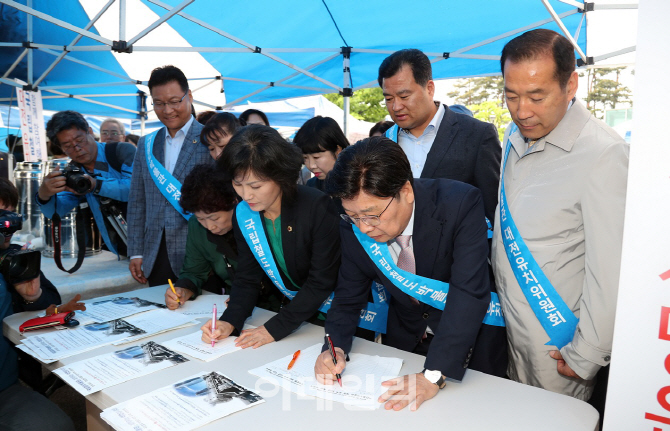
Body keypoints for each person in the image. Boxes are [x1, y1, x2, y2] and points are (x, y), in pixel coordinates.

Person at [315, 137, 507, 411]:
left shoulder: (459, 203)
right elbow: (347, 296)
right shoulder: (353, 225)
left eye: (372, 215)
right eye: (353, 216)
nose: (364, 227)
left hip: (467, 344)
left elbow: (468, 292)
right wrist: (333, 348)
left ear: (405, 190)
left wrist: (434, 374)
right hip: (404, 343)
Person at [491, 29, 629, 408]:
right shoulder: (514, 135)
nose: (522, 111)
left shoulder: (603, 153)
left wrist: (586, 354)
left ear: (571, 85)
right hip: (511, 329)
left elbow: (610, 268)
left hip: (558, 344)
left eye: (537, 97)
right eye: (511, 96)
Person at [200, 124, 340, 349]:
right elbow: (247, 277)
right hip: (298, 319)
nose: (246, 195)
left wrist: (275, 328)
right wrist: (229, 321)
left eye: (255, 185)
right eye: (238, 184)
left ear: (281, 176)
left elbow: (321, 280)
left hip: (337, 316)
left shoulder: (316, 207)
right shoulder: (244, 214)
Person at [378, 49, 501, 224]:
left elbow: (493, 209)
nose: (396, 106)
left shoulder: (476, 135)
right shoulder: (381, 145)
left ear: (429, 89)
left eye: (404, 96)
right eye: (389, 99)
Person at [127, 65, 212, 287]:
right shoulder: (146, 144)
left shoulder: (210, 140)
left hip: (202, 249)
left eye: (175, 101)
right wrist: (135, 251)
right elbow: (137, 201)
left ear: (189, 96)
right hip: (156, 251)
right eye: (159, 103)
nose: (168, 110)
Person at [0, 178, 75, 431]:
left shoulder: (15, 257)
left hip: (7, 387)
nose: (5, 226)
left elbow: (52, 303)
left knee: (56, 426)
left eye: (8, 215)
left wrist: (33, 295)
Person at [37, 110, 136, 256]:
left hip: (151, 241)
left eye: (79, 140)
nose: (77, 149)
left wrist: (96, 185)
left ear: (89, 131)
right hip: (118, 248)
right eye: (68, 146)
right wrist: (44, 194)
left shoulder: (121, 151)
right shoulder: (74, 172)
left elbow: (135, 190)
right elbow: (56, 212)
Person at [164, 164, 238, 309]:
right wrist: (182, 290)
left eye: (215, 218)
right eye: (201, 219)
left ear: (234, 203)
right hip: (233, 305)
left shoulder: (255, 221)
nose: (210, 226)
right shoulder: (197, 227)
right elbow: (194, 272)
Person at [293, 116, 349, 192]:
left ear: (338, 150)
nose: (311, 166)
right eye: (305, 158)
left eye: (316, 157)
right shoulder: (312, 186)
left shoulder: (361, 184)